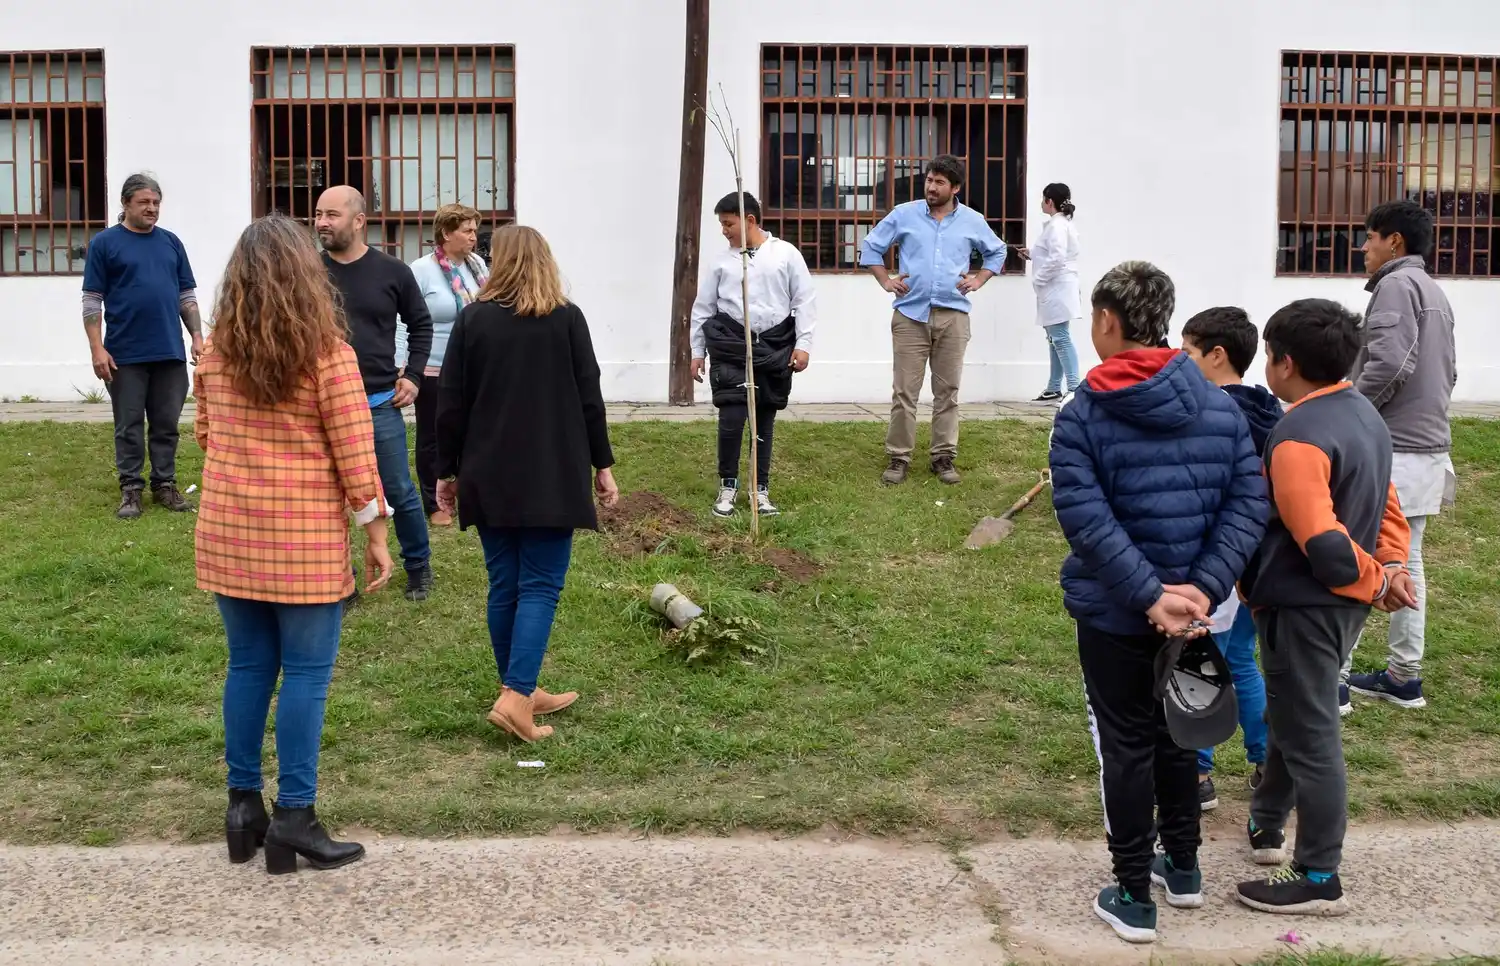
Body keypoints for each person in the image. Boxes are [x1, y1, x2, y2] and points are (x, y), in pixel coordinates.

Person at [1049, 261, 1268, 945]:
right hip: (1199, 611)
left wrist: (1152, 596)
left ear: (1108, 323)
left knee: (1128, 744)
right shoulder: (1216, 405)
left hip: (1119, 612)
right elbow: (1248, 502)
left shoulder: (1081, 413)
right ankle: (1184, 865)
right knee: (1182, 733)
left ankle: (1133, 893)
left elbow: (1086, 522)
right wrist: (1202, 587)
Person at [194, 213, 395, 875]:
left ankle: (242, 808)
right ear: (307, 277)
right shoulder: (327, 354)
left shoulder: (217, 351)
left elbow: (205, 436)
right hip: (302, 534)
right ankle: (295, 817)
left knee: (248, 667)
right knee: (306, 674)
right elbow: (354, 451)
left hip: (229, 530)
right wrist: (376, 533)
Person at [1236, 298, 1414, 916]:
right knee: (1294, 711)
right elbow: (1389, 506)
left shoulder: (1296, 436)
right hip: (1339, 607)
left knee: (1311, 733)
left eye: (1267, 355)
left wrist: (1373, 578)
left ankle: (1318, 874)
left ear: (1285, 363)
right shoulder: (1363, 413)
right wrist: (1390, 567)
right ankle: (1265, 821)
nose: (1265, 365)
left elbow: (1326, 545)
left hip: (1307, 606)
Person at [435, 225, 619, 743]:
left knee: (506, 584)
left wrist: (446, 472)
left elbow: (450, 402)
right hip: (552, 473)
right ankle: (517, 696)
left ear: (498, 262)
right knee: (539, 585)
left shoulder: (473, 320)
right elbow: (590, 397)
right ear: (545, 261)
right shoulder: (567, 319)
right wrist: (602, 465)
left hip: (487, 473)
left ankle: (518, 687)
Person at [1342, 200, 1456, 713]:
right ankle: (1403, 676)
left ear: (1395, 242)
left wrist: (1348, 412)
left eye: (1370, 237)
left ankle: (1335, 677)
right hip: (1428, 444)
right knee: (1406, 560)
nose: (1364, 247)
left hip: (1395, 448)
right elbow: (1447, 371)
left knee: (1362, 554)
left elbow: (1391, 361)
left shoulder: (1394, 286)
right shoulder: (1434, 290)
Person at [1180, 307, 1283, 810]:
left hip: (1217, 563)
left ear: (1216, 356)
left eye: (1188, 353)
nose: (1180, 362)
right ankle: (1264, 759)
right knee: (1241, 658)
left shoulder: (1212, 415)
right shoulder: (1268, 408)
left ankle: (1198, 772)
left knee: (1201, 660)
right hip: (1257, 566)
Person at [315, 186, 435, 602]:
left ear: (359, 220)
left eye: (332, 214)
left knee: (398, 488)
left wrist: (414, 375)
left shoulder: (392, 271)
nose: (322, 222)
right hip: (323, 407)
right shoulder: (309, 272)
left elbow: (421, 324)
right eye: (318, 214)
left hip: (379, 402)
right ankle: (341, 579)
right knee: (330, 497)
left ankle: (418, 566)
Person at [860, 154, 1007, 486]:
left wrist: (979, 279)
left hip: (953, 316)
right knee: (904, 392)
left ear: (955, 188)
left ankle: (943, 457)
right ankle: (899, 457)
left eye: (940, 182)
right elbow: (871, 248)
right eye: (929, 180)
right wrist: (886, 281)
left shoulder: (972, 220)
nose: (931, 186)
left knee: (948, 391)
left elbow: (997, 251)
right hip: (910, 316)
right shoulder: (904, 214)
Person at [82, 173, 202, 519]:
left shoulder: (171, 243)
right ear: (125, 204)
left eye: (156, 203)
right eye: (144, 203)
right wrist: (97, 348)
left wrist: (195, 336)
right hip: (124, 355)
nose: (152, 209)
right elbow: (92, 301)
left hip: (169, 352)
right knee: (129, 425)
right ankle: (130, 490)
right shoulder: (105, 244)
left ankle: (164, 485)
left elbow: (186, 295)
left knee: (167, 423)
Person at [690, 191, 815, 518]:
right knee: (731, 418)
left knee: (764, 419)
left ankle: (760, 490)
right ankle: (727, 487)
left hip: (774, 346)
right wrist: (696, 352)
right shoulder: (721, 262)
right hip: (731, 346)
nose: (724, 230)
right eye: (721, 224)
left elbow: (804, 301)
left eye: (728, 223)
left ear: (749, 220)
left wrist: (803, 344)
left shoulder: (785, 255)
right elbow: (703, 310)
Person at [400, 203, 490, 527]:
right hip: (434, 368)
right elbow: (403, 319)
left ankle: (466, 493)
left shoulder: (477, 265)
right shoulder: (421, 270)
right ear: (446, 233)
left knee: (473, 432)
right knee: (432, 436)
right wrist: (404, 366)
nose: (473, 237)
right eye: (466, 230)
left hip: (474, 366)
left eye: (474, 230)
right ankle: (434, 502)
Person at [1018, 183, 1082, 401]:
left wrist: (1038, 279)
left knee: (1060, 338)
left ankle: (1074, 388)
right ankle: (1054, 386)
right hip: (1057, 288)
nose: (1041, 203)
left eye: (1043, 198)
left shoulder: (1057, 226)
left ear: (1049, 201)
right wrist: (1033, 254)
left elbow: (1057, 258)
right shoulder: (1061, 224)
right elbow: (1051, 253)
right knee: (1054, 338)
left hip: (1057, 288)